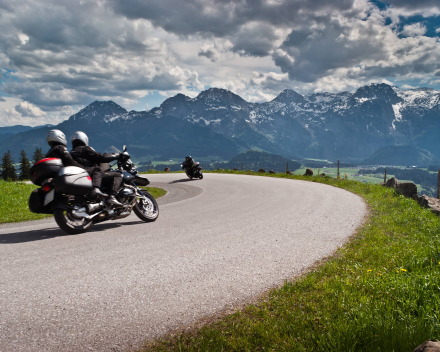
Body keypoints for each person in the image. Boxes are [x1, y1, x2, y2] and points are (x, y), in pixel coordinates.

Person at [45, 129, 108, 198]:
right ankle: (96, 189)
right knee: (97, 169)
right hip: (68, 173)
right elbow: (69, 161)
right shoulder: (61, 148)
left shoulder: (50, 152)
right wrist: (81, 169)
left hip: (58, 176)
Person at [70, 131, 123, 207]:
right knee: (118, 174)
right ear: (84, 139)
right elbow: (101, 158)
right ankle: (111, 196)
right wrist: (116, 156)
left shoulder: (71, 152)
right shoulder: (85, 149)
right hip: (89, 172)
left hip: (79, 175)